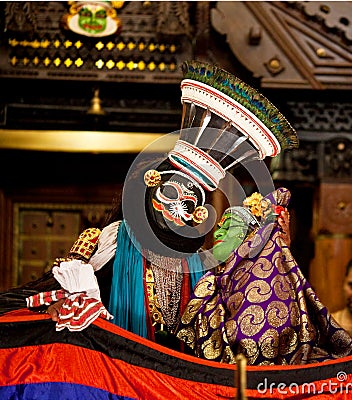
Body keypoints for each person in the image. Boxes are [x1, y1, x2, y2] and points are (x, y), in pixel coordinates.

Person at [0, 60, 299, 352]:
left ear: (199, 213)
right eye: (170, 192)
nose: (177, 206)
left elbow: (242, 302)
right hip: (122, 372)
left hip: (181, 375)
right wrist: (66, 302)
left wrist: (275, 251)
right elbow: (50, 293)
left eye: (189, 202)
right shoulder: (114, 239)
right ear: (150, 186)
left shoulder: (204, 259)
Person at [176, 187, 352, 365]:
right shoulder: (210, 276)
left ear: (253, 239)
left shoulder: (271, 282)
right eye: (220, 227)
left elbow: (257, 342)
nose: (217, 233)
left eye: (230, 227)